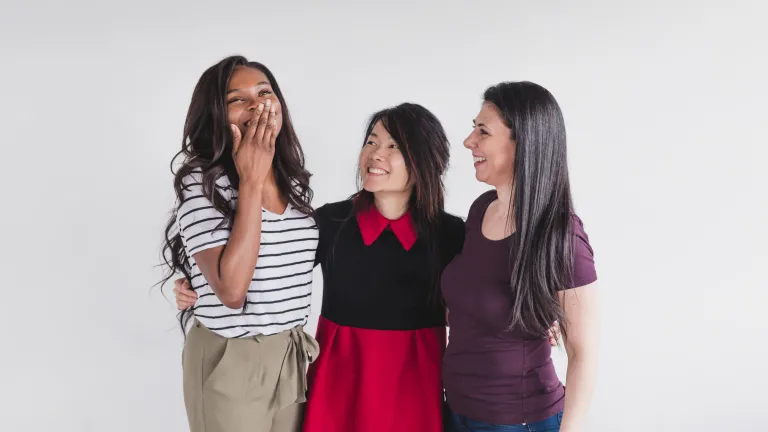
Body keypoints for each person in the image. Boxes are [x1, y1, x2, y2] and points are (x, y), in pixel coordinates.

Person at [175, 102, 465, 431]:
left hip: (414, 387)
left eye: (393, 145)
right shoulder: (331, 222)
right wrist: (196, 280)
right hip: (339, 383)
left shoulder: (452, 235)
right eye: (371, 141)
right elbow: (269, 266)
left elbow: (479, 299)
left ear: (428, 160)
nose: (375, 154)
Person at [160, 55, 319, 432]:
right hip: (231, 357)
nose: (257, 105)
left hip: (290, 354)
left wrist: (191, 279)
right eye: (237, 99)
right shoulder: (200, 181)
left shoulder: (292, 180)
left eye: (265, 93)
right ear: (217, 114)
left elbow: (288, 263)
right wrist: (250, 180)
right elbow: (231, 290)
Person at [441, 81, 599, 432]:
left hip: (518, 421)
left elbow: (584, 354)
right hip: (457, 411)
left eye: (483, 131)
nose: (469, 141)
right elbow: (473, 303)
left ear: (523, 143)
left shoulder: (562, 235)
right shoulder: (481, 210)